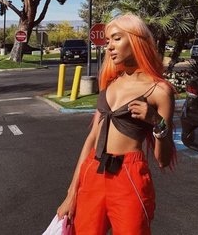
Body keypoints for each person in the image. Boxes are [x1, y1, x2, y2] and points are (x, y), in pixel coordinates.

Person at [57, 14, 176, 235]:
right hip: (93, 171)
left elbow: (163, 159)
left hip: (129, 176)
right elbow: (92, 139)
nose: (109, 46)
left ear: (136, 40)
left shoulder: (160, 91)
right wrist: (71, 193)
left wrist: (156, 122)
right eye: (107, 41)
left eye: (117, 38)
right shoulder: (109, 84)